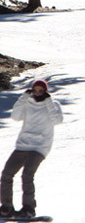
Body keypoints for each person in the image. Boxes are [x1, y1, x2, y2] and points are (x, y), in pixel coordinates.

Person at [0, 79, 63, 218]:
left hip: (40, 146)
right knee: (6, 174)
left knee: (27, 175)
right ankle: (6, 207)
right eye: (35, 90)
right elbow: (15, 117)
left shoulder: (53, 104)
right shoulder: (28, 103)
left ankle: (28, 209)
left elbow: (57, 120)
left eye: (41, 90)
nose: (37, 93)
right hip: (23, 145)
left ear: (45, 91)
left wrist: (48, 102)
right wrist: (23, 98)